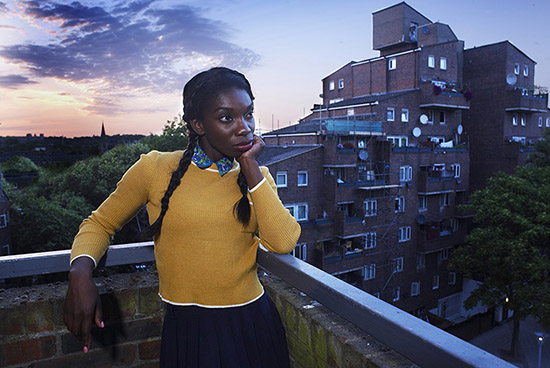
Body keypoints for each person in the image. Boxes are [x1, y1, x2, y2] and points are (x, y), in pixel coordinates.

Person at [63, 67, 301, 367]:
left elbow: (282, 242)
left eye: (248, 114)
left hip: (252, 323)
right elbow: (99, 223)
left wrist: (251, 168)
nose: (244, 128)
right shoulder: (154, 168)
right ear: (198, 123)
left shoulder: (258, 178)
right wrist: (80, 273)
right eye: (227, 117)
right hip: (187, 329)